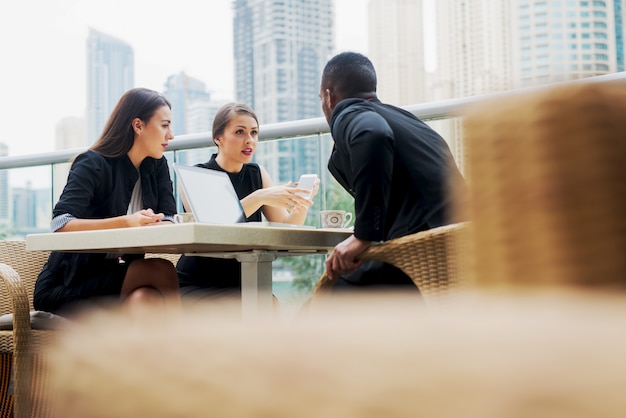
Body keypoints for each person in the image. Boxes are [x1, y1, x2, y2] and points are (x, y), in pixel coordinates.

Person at [318, 51, 467, 290]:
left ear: (329, 97)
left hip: (418, 254)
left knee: (327, 296)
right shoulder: (408, 121)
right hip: (459, 250)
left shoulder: (349, 112)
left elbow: (372, 134)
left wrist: (363, 235)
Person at [34, 87, 181, 315]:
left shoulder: (157, 165)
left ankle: (144, 351)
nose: (171, 134)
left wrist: (162, 223)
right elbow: (61, 224)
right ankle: (185, 346)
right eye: (164, 125)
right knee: (161, 269)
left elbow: (170, 217)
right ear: (138, 125)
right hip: (68, 284)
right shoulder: (92, 163)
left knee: (145, 299)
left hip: (119, 274)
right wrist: (126, 222)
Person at [175, 103, 319, 301]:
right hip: (199, 281)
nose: (249, 140)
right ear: (218, 138)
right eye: (240, 132)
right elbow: (215, 226)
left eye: (254, 133)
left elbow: (287, 227)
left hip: (246, 278)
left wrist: (304, 199)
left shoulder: (256, 174)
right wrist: (260, 197)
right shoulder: (197, 175)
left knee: (268, 302)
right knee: (262, 304)